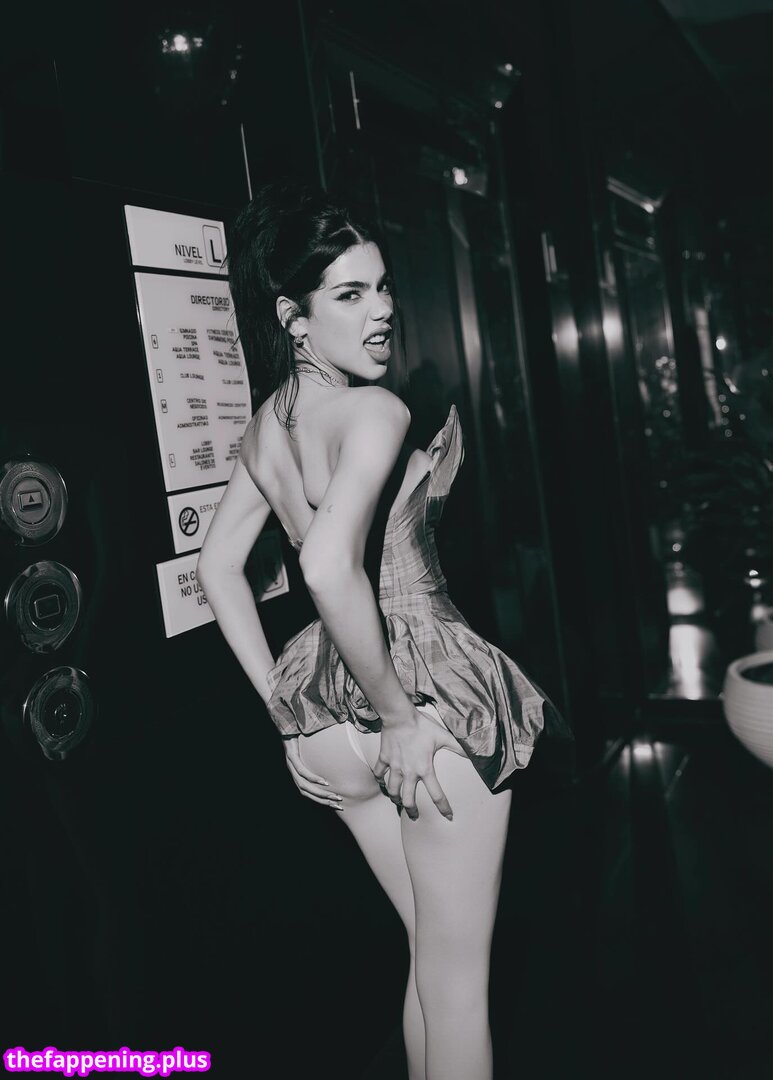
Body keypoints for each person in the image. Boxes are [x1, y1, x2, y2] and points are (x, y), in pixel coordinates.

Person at [196, 183, 572, 1080]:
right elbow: (330, 567)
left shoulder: (264, 428)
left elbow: (217, 571)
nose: (383, 310)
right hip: (423, 708)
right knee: (459, 987)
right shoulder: (375, 412)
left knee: (428, 960)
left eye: (383, 286)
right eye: (350, 294)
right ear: (294, 318)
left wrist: (284, 711)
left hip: (329, 724)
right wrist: (399, 717)